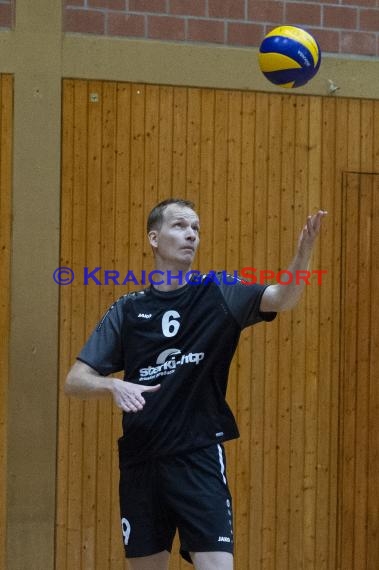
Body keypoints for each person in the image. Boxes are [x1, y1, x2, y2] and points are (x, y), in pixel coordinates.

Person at [65, 198, 327, 570]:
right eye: (180, 226)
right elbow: (75, 380)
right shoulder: (128, 310)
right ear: (154, 239)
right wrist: (112, 386)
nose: (191, 234)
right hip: (142, 462)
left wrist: (303, 254)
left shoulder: (219, 292)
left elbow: (281, 299)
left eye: (196, 228)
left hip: (197, 455)